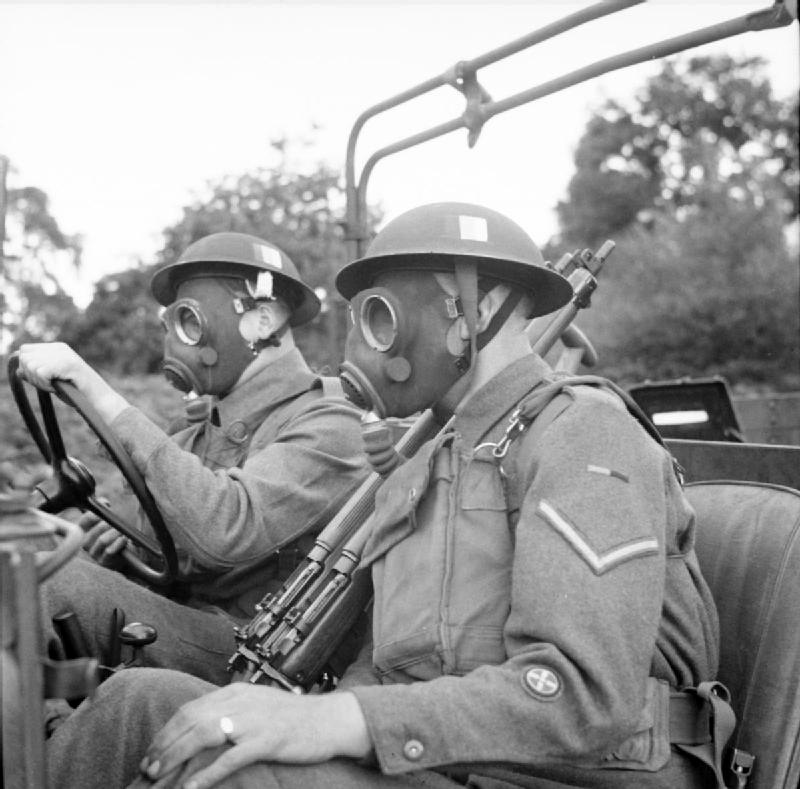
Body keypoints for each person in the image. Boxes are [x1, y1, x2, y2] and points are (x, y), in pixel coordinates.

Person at [45, 203, 723, 789]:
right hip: (444, 761)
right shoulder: (432, 458)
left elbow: (581, 695)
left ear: (477, 308)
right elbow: (390, 658)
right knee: (141, 700)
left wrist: (335, 720)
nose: (364, 346)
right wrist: (311, 714)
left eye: (381, 316)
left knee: (232, 773)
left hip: (567, 774)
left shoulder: (582, 433)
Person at [17, 231, 368, 687]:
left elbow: (228, 527)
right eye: (172, 325)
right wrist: (125, 542)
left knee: (38, 583)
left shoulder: (332, 424)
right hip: (186, 617)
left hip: (255, 653)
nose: (178, 343)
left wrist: (100, 395)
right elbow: (166, 541)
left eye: (191, 322)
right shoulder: (194, 438)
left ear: (262, 320)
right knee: (26, 549)